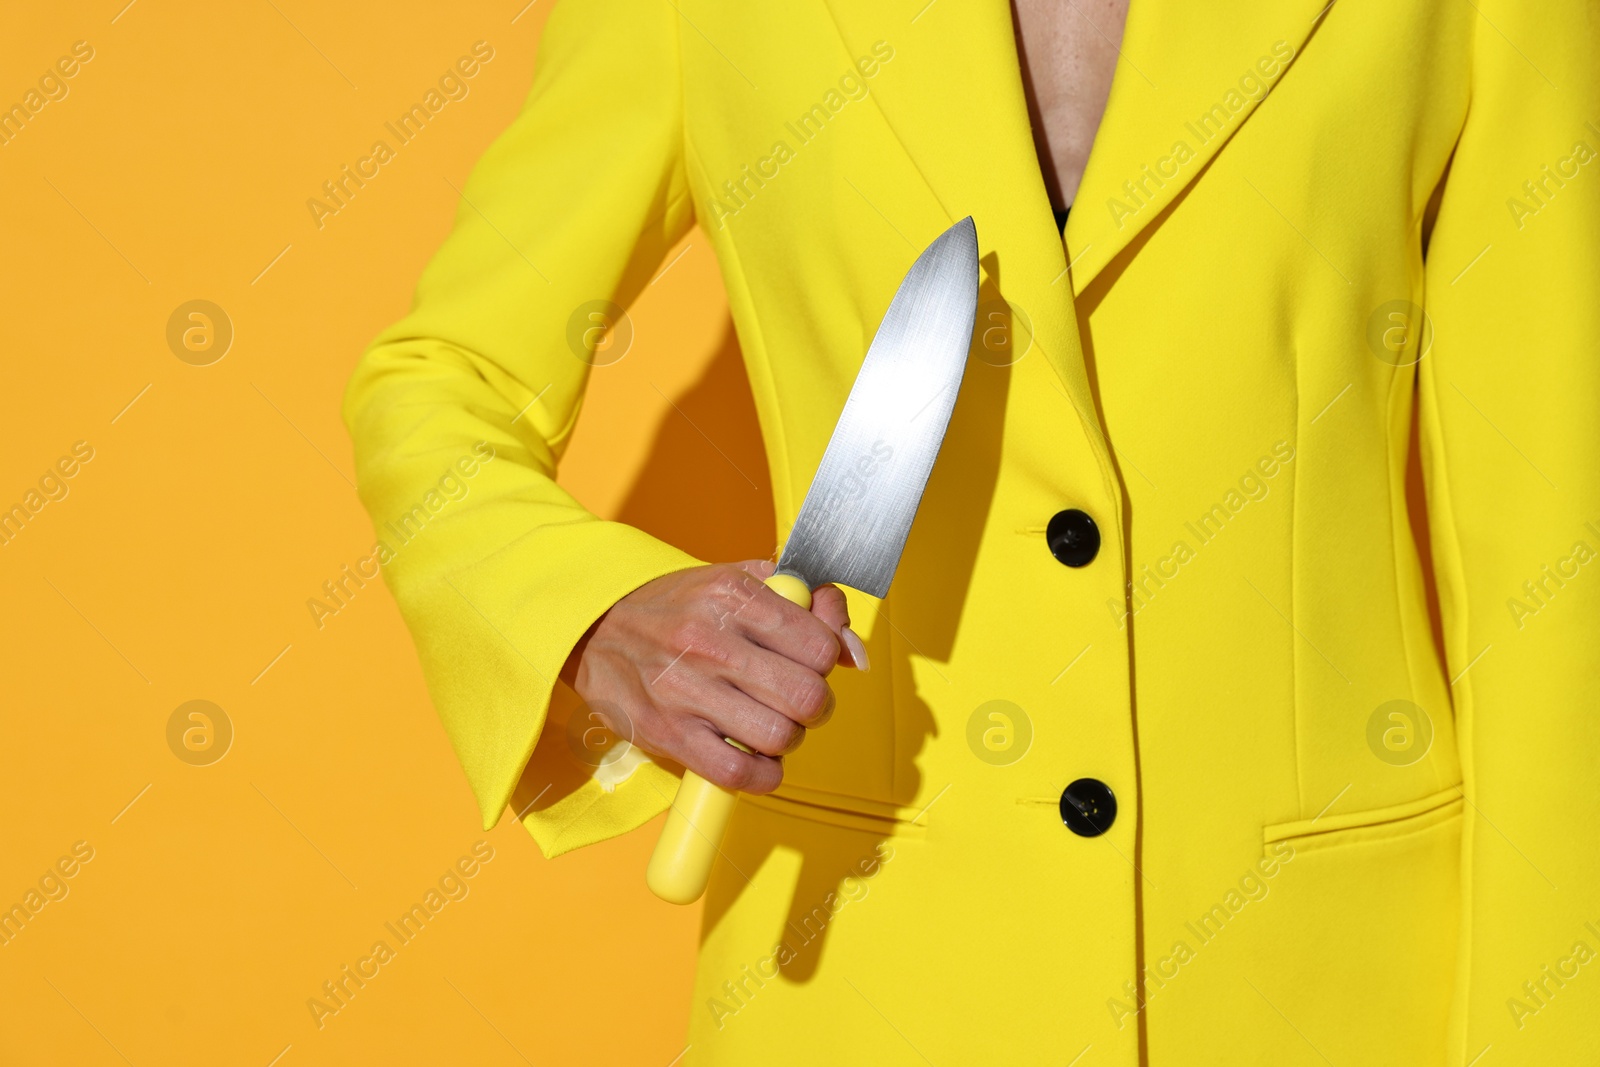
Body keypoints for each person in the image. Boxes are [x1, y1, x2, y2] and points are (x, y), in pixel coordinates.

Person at [343, 0, 1599, 1062]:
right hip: (856, 984)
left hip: (1334, 991)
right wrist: (590, 614)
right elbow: (440, 378)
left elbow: (1554, 556)